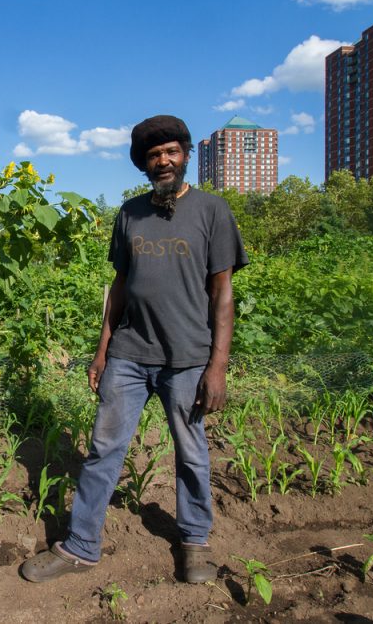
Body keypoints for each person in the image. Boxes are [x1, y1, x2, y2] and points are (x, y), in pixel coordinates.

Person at [21, 114, 248, 584]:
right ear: (144, 165)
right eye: (153, 156)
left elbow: (222, 292)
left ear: (185, 156)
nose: (163, 161)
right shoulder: (129, 213)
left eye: (170, 152)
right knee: (104, 448)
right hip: (128, 353)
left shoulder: (212, 210)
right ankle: (81, 545)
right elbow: (119, 286)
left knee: (191, 452)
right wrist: (102, 351)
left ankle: (194, 542)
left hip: (188, 358)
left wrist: (218, 366)